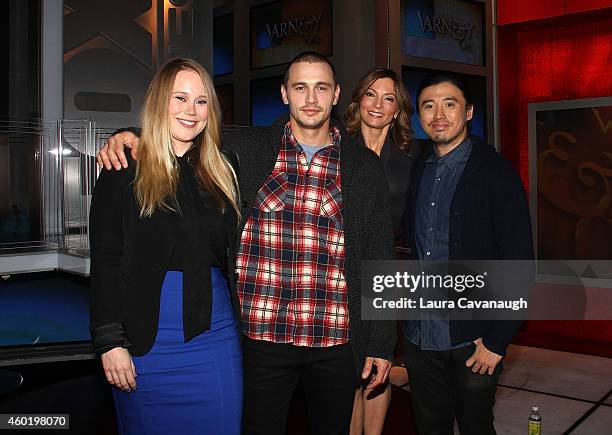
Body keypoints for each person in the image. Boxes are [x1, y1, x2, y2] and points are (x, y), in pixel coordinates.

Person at [96, 51, 396, 435]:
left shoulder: (363, 166)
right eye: (300, 87)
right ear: (284, 94)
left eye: (321, 88)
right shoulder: (245, 150)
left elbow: (380, 257)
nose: (311, 98)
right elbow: (183, 133)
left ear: (336, 94)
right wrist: (130, 136)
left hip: (333, 339)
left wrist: (382, 343)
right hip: (259, 339)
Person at [89, 58, 242, 435]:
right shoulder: (124, 167)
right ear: (159, 102)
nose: (191, 111)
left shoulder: (224, 168)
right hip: (145, 343)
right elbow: (106, 259)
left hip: (215, 336)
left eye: (202, 101)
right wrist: (110, 341)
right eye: (180, 98)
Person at [402, 73, 533, 434]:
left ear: (469, 111)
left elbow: (519, 261)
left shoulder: (494, 172)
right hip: (420, 337)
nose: (438, 114)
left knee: (477, 427)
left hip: (472, 341)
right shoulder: (420, 168)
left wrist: (497, 340)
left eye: (450, 104)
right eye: (429, 105)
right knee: (430, 427)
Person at [344, 67, 419, 435]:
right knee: (349, 366)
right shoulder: (336, 146)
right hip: (340, 268)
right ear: (357, 101)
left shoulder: (411, 156)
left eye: (388, 98)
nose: (378, 104)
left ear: (397, 108)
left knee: (379, 363)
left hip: (389, 270)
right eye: (371, 94)